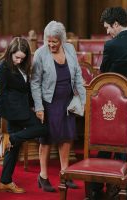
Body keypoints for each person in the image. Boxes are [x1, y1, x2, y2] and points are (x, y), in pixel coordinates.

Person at [30, 21, 86, 192]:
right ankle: (43, 176)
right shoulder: (40, 54)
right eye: (49, 40)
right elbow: (35, 82)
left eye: (55, 41)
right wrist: (39, 107)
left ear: (62, 39)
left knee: (66, 138)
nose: (51, 44)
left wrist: (82, 99)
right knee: (46, 140)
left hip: (68, 101)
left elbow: (77, 74)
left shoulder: (69, 49)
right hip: (49, 102)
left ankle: (65, 173)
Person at [88, 7, 127, 199]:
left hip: (115, 103)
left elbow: (104, 76)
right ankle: (121, 186)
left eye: (108, 27)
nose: (107, 32)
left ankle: (97, 187)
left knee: (109, 141)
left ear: (116, 24)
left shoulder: (112, 46)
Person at [0, 37, 47, 193]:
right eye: (16, 57)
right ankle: (14, 138)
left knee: (13, 149)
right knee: (44, 129)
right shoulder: (3, 67)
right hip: (14, 111)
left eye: (22, 58)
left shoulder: (24, 65)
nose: (18, 60)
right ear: (10, 53)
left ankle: (5, 181)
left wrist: (37, 106)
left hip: (22, 108)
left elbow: (26, 88)